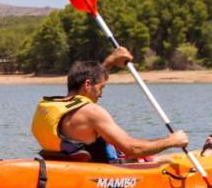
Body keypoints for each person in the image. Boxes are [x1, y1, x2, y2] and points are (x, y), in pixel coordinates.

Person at [31, 47, 188, 163]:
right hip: (107, 172)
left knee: (152, 155)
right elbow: (132, 149)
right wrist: (172, 141)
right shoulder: (91, 112)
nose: (101, 94)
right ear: (87, 84)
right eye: (101, 88)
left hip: (64, 165)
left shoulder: (52, 106)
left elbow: (93, 81)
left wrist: (110, 61)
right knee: (162, 160)